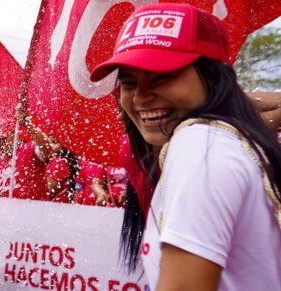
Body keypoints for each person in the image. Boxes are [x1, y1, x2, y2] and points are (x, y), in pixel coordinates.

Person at [90, 3, 281, 289]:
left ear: (213, 78)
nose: (141, 98)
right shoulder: (223, 141)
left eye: (162, 76)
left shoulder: (200, 146)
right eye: (129, 83)